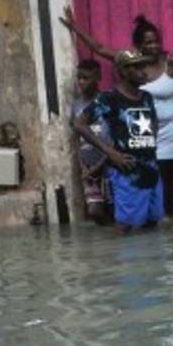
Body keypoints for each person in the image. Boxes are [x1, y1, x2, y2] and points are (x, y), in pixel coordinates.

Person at [58, 9, 173, 219]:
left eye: (156, 41)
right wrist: (75, 27)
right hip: (139, 137)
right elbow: (99, 48)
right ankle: (138, 219)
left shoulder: (168, 64)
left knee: (172, 175)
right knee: (144, 181)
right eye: (148, 42)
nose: (154, 46)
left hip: (171, 127)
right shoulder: (124, 74)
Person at [72, 50, 164, 233]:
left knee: (152, 221)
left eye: (143, 66)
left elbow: (153, 123)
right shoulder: (109, 98)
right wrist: (111, 152)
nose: (143, 71)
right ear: (122, 71)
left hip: (151, 168)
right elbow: (79, 124)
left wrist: (150, 147)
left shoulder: (146, 97)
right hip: (127, 171)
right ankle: (119, 252)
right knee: (126, 226)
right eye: (137, 67)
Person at [69, 59, 110, 224]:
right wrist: (82, 164)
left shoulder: (107, 101)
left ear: (97, 77)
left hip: (108, 164)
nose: (81, 82)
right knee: (94, 211)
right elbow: (76, 137)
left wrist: (100, 164)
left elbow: (114, 138)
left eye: (85, 78)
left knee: (114, 208)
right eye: (79, 78)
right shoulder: (76, 105)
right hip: (88, 168)